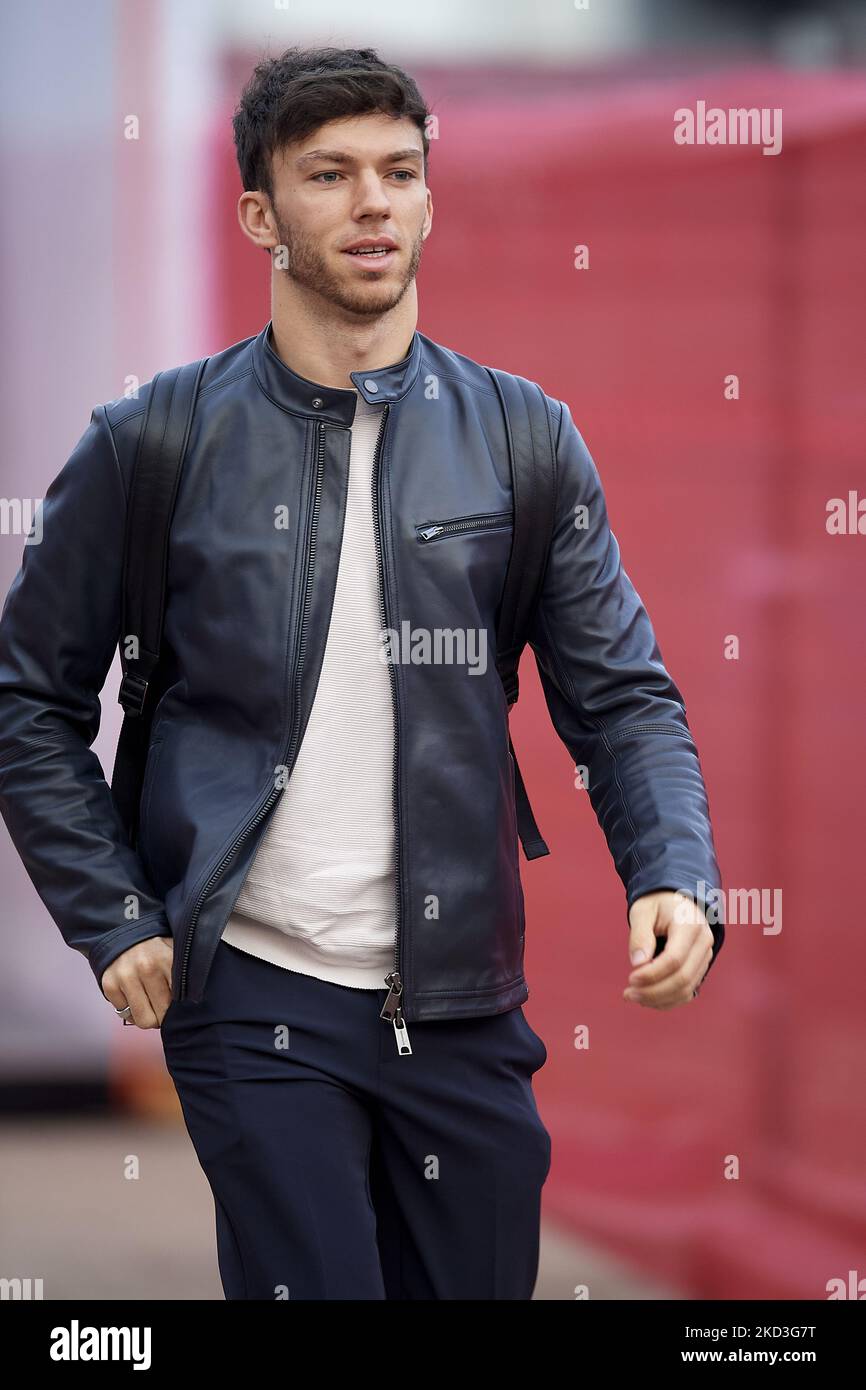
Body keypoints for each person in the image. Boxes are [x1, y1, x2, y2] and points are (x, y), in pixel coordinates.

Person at [0, 45, 724, 1300]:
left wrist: (672, 869)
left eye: (398, 170)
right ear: (259, 213)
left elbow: (620, 695)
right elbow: (29, 699)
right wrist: (111, 913)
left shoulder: (519, 438)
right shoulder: (153, 443)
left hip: (461, 1002)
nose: (372, 202)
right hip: (251, 992)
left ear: (430, 198)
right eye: (328, 174)